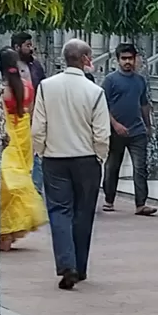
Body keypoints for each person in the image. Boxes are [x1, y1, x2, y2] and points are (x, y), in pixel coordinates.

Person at [32, 38, 110, 290]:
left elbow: (38, 128)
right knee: (83, 213)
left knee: (58, 212)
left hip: (55, 158)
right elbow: (102, 133)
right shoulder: (95, 92)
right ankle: (80, 266)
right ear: (86, 58)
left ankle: (67, 264)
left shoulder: (45, 87)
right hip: (87, 160)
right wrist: (100, 156)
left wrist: (42, 152)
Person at [0, 48, 48, 251]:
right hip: (24, 137)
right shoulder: (27, 87)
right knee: (20, 179)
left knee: (7, 184)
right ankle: (10, 231)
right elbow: (32, 112)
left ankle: (5, 229)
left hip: (7, 137)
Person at [101, 43, 157, 216]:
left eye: (130, 59)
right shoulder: (110, 80)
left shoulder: (140, 80)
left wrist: (148, 126)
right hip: (115, 131)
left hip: (137, 131)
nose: (127, 62)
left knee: (140, 167)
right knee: (112, 166)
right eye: (124, 59)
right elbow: (102, 105)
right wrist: (115, 124)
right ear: (117, 60)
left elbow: (144, 104)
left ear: (135, 59)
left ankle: (141, 204)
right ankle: (109, 200)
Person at [12, 31, 47, 190]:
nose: (31, 48)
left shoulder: (36, 65)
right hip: (15, 119)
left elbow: (43, 87)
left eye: (30, 45)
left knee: (36, 154)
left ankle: (35, 190)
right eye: (27, 45)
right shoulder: (9, 67)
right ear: (17, 47)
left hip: (35, 117)